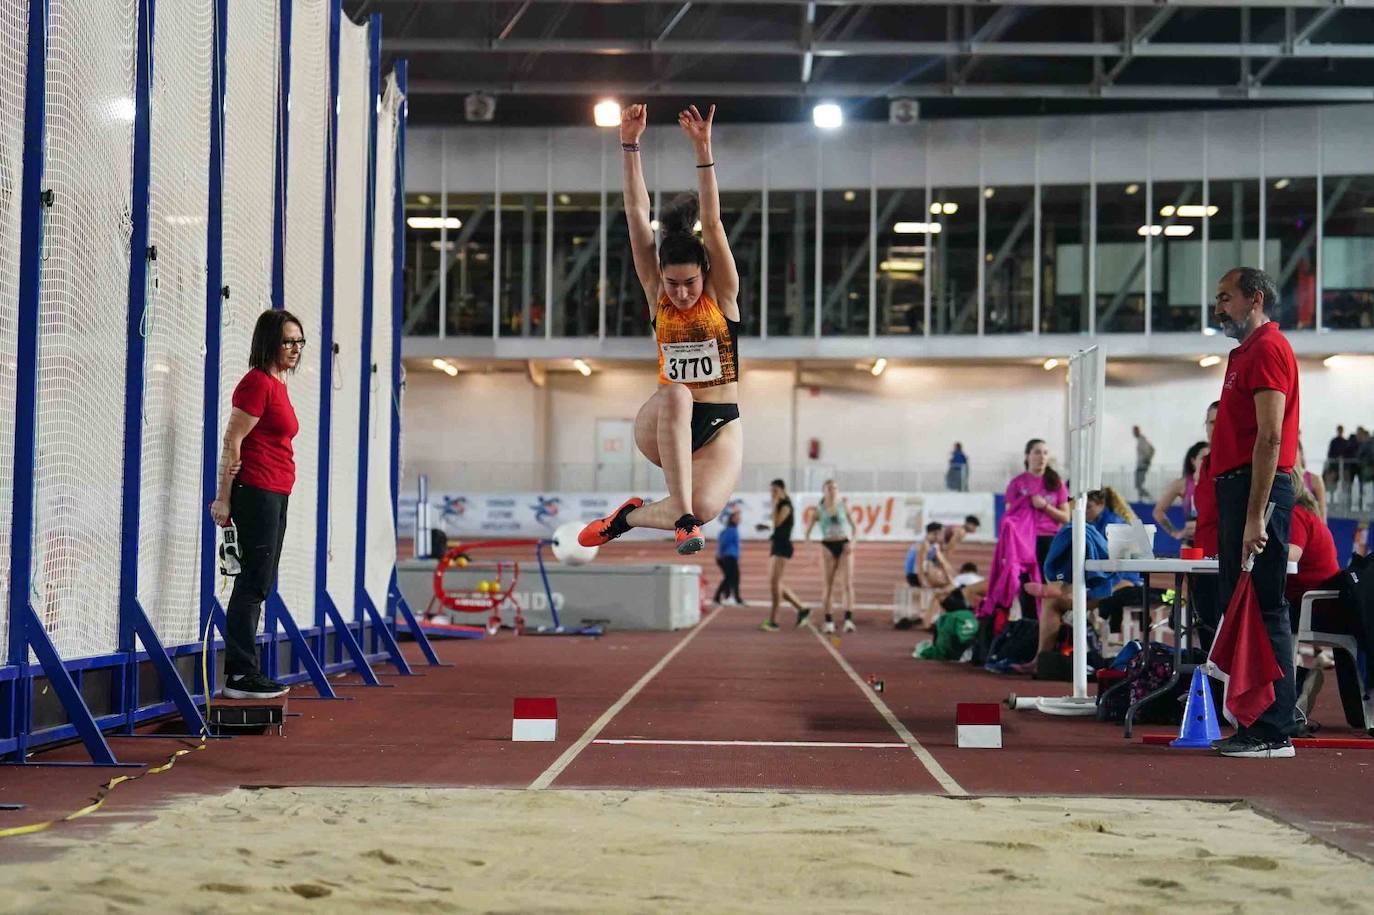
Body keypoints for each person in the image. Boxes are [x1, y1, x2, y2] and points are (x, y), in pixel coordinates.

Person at [579, 103, 742, 556]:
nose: (682, 293)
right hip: (664, 423)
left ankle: (628, 517)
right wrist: (629, 144)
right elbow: (636, 213)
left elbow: (711, 222)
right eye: (673, 284)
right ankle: (682, 519)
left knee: (705, 506)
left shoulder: (722, 295)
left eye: (690, 283)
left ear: (705, 274)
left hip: (719, 426)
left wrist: (703, 148)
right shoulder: (658, 294)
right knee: (677, 392)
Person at [1209, 266, 1301, 759]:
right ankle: (1261, 722)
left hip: (1255, 490)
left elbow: (1270, 437)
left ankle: (1273, 730)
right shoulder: (1240, 354)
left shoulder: (1267, 349)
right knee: (1243, 608)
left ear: (1256, 299)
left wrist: (1255, 514)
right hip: (1240, 489)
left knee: (1265, 607)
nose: (1219, 307)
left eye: (1226, 298)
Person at [208, 310, 305, 700]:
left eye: (299, 342)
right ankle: (239, 675)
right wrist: (223, 498)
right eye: (287, 341)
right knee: (252, 583)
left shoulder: (278, 384)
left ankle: (245, 670)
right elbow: (232, 441)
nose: (295, 349)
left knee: (259, 582)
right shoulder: (256, 384)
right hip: (256, 491)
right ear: (269, 342)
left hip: (276, 491)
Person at [982, 439, 1070, 623]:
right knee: (1027, 589)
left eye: (1045, 453)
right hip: (1024, 544)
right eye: (1037, 452)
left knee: (1049, 588)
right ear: (1027, 456)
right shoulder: (1017, 484)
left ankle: (1051, 629)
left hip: (1049, 541)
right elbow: (1009, 517)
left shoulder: (1056, 484)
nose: (1042, 457)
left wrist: (1044, 506)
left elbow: (1065, 517)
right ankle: (1031, 628)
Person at [1285, 470, 1344, 716]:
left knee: (1260, 615)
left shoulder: (1296, 516)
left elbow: (1290, 557)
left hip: (1315, 606)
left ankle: (1293, 688)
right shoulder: (1306, 513)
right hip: (1324, 602)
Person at [805, 479, 858, 634]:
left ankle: (848, 620)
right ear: (824, 491)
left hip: (844, 544)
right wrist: (811, 550)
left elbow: (855, 528)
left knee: (847, 584)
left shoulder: (844, 506)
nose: (833, 490)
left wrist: (853, 544)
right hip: (827, 546)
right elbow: (807, 532)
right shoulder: (819, 509)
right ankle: (828, 620)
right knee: (828, 585)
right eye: (829, 488)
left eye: (835, 488)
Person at [758, 479, 808, 631]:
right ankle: (802, 608)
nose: (772, 494)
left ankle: (774, 621)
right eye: (771, 491)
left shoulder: (785, 504)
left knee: (775, 584)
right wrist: (764, 527)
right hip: (777, 544)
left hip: (783, 546)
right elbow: (776, 526)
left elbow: (778, 522)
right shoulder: (780, 504)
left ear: (781, 489)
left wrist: (774, 504)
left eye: (774, 491)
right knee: (775, 583)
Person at [1151, 441, 1209, 544]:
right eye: (1203, 458)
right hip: (1191, 544)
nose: (1207, 462)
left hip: (1214, 543)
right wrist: (1176, 533)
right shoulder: (1182, 484)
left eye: (1210, 458)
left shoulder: (1219, 484)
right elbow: (1158, 511)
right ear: (1193, 461)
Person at [713, 507, 743, 607]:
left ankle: (726, 597)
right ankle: (732, 598)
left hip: (729, 557)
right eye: (737, 516)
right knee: (732, 577)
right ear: (731, 518)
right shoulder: (730, 530)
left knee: (730, 578)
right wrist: (721, 555)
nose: (739, 518)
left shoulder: (731, 529)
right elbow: (723, 543)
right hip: (728, 557)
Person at [1295, 441, 1328, 522]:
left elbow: (1323, 512)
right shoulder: (1283, 479)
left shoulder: (1315, 479)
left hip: (1310, 524)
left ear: (1300, 453)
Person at [1133, 425, 1156, 502]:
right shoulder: (1140, 440)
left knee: (1139, 484)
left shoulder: (1143, 440)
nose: (1133, 433)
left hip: (1142, 465)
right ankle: (1141, 499)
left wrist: (1147, 460)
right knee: (1138, 484)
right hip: (1141, 464)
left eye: (1134, 431)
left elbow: (1152, 449)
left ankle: (1150, 497)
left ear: (1138, 431)